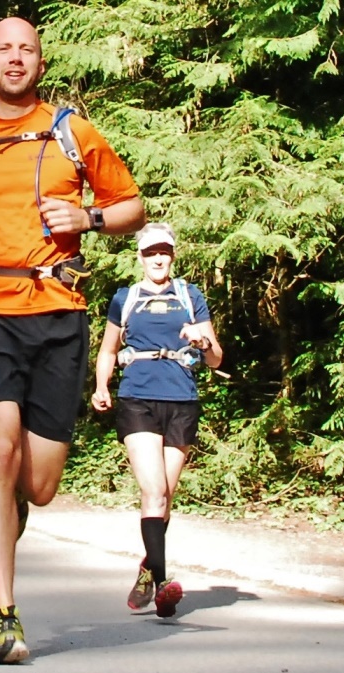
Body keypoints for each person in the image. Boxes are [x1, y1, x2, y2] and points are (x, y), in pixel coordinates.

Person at [0, 17, 145, 664]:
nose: (15, 58)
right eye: (3, 49)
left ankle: (14, 500)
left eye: (26, 49)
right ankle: (4, 617)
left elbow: (132, 207)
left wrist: (88, 217)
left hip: (58, 312)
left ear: (40, 63)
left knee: (38, 484)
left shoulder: (74, 132)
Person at [91, 223, 222, 619]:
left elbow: (216, 358)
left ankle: (149, 568)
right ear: (141, 257)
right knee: (154, 492)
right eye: (151, 252)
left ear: (173, 255)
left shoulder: (190, 296)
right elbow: (108, 349)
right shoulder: (126, 298)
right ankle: (164, 585)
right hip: (138, 399)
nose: (158, 258)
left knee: (165, 498)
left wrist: (202, 341)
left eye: (164, 251)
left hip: (181, 399)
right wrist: (101, 386)